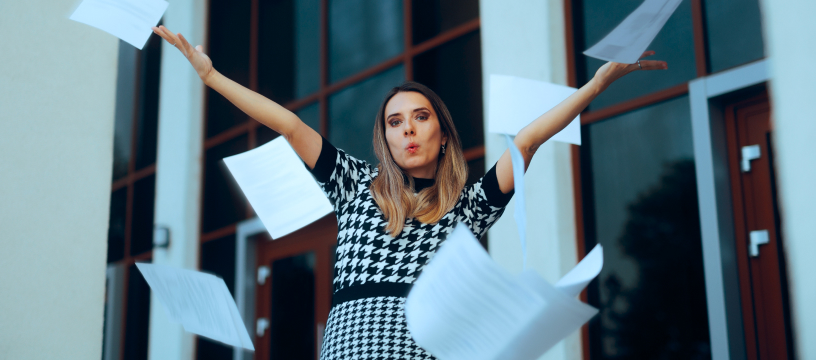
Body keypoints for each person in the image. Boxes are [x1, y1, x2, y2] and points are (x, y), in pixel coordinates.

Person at [153, 25, 666, 359]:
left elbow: (528, 140)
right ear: (386, 139)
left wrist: (595, 87)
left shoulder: (468, 207)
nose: (409, 130)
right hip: (346, 348)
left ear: (442, 133)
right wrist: (212, 76)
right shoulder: (353, 183)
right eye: (396, 122)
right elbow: (288, 124)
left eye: (421, 118)